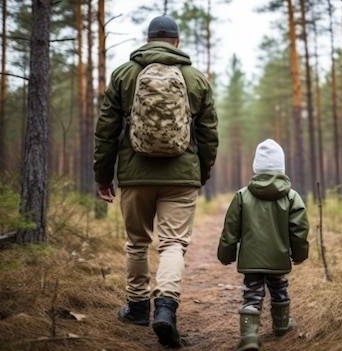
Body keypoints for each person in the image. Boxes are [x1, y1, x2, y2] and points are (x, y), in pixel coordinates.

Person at [93, 14, 218, 348]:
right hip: (181, 176)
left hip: (134, 175)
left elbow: (106, 131)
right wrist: (200, 172)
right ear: (176, 42)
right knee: (173, 243)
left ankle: (136, 308)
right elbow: (208, 134)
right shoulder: (196, 79)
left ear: (148, 40)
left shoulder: (123, 74)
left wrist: (103, 176)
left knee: (137, 242)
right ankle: (165, 308)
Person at [217, 139, 309, 351]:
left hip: (251, 260)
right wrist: (300, 253)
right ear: (281, 167)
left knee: (252, 293)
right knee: (279, 289)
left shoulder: (242, 196)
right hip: (279, 258)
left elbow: (230, 229)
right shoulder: (292, 197)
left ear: (256, 168)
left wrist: (226, 254)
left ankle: (249, 336)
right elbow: (299, 230)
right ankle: (282, 325)